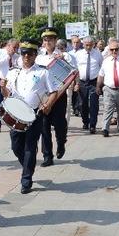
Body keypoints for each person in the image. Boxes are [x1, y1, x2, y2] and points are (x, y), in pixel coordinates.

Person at [1, 39, 57, 194]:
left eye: (30, 54)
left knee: (30, 147)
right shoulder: (13, 72)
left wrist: (48, 104)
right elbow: (7, 94)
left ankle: (26, 180)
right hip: (17, 115)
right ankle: (28, 165)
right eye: (24, 53)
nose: (27, 57)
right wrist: (2, 89)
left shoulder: (43, 72)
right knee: (16, 146)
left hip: (34, 114)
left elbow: (53, 92)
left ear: (35, 55)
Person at [36, 27, 75, 166]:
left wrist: (63, 59)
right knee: (44, 126)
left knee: (59, 123)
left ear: (55, 40)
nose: (48, 42)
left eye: (51, 39)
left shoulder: (65, 55)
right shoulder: (39, 57)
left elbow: (73, 72)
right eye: (45, 39)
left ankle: (61, 142)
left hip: (59, 94)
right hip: (44, 95)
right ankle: (48, 156)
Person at [97, 39, 119, 136]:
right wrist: (98, 86)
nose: (114, 51)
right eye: (112, 49)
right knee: (108, 108)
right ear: (109, 50)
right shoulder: (106, 61)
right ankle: (105, 128)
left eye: (116, 49)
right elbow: (101, 75)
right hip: (109, 89)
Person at [74, 36, 103, 133]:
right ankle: (85, 121)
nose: (89, 47)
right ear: (83, 44)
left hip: (94, 82)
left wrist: (100, 84)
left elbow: (101, 68)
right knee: (82, 104)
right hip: (82, 82)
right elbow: (75, 70)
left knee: (94, 104)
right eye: (87, 45)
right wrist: (76, 83)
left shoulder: (98, 54)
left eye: (90, 45)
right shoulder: (78, 54)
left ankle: (93, 125)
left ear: (93, 44)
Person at [0, 38, 19, 133]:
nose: (15, 50)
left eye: (17, 48)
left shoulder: (16, 56)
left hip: (11, 81)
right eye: (14, 47)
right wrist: (8, 56)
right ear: (8, 46)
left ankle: (14, 122)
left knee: (12, 102)